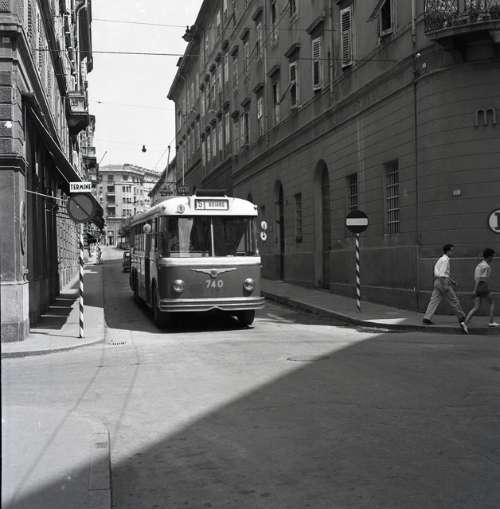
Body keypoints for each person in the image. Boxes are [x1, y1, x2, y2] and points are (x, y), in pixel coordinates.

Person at [422, 244, 469, 334]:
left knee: (434, 300)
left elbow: (442, 273)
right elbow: (442, 275)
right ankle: (461, 317)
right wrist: (445, 286)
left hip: (437, 282)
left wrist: (452, 281)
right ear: (448, 251)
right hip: (442, 282)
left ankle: (426, 318)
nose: (453, 252)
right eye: (452, 250)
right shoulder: (445, 260)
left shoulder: (441, 259)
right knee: (454, 300)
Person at [465, 248, 498, 328]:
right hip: (483, 286)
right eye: (492, 256)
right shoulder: (486, 266)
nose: (493, 258)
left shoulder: (479, 265)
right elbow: (480, 279)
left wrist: (475, 290)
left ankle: (465, 323)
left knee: (476, 307)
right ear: (489, 257)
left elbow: (477, 278)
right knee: (492, 302)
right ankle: (491, 322)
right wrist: (475, 289)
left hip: (478, 287)